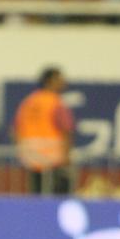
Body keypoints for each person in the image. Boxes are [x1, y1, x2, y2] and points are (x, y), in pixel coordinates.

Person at [13, 65, 73, 195]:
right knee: (57, 191)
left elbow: (16, 128)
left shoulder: (28, 101)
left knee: (36, 192)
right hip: (52, 158)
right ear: (49, 81)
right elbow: (66, 129)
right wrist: (66, 155)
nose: (63, 82)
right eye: (60, 79)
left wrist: (22, 150)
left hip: (30, 157)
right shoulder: (55, 102)